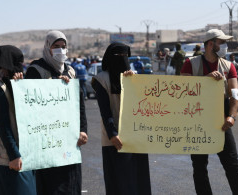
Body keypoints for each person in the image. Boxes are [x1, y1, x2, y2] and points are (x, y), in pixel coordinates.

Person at [181, 29, 238, 195]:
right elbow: (182, 91)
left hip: (221, 118)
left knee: (232, 164)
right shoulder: (190, 63)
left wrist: (231, 116)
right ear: (211, 44)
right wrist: (206, 81)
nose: (225, 46)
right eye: (222, 42)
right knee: (199, 166)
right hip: (197, 119)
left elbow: (234, 94)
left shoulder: (228, 66)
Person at [25, 30, 88, 195]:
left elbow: (79, 104)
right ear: (47, 47)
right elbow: (30, 105)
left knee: (71, 183)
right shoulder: (36, 70)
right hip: (47, 142)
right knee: (51, 186)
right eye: (56, 46)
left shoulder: (70, 71)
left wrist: (83, 130)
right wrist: (54, 86)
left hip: (69, 139)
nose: (61, 50)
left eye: (63, 47)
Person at [92, 43, 152, 195]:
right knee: (118, 183)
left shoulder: (133, 78)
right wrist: (113, 134)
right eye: (119, 56)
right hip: (114, 140)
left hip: (135, 138)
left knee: (138, 181)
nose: (123, 60)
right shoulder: (101, 80)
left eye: (126, 56)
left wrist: (133, 83)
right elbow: (105, 111)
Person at [0, 45, 36, 195]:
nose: (20, 67)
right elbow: (3, 125)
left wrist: (19, 87)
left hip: (18, 154)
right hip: (6, 157)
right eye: (16, 62)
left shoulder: (8, 85)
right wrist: (14, 155)